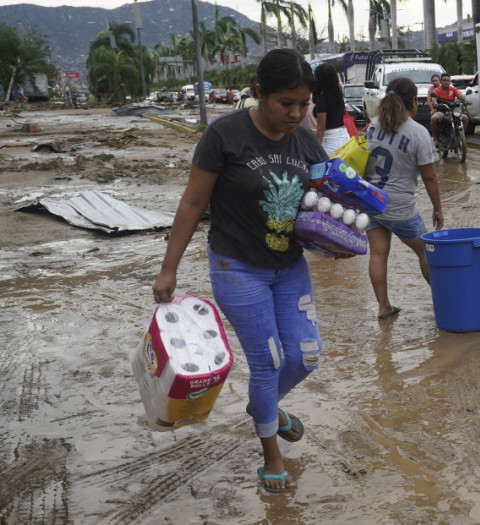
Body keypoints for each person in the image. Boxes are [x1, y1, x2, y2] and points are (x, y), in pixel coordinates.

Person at [152, 48, 328, 493]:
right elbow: (192, 203)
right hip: (237, 266)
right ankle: (272, 455)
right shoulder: (223, 136)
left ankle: (262, 408)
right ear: (257, 94)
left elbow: (321, 207)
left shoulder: (306, 140)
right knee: (267, 363)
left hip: (289, 265)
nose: (295, 113)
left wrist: (334, 244)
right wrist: (168, 268)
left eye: (303, 104)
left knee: (306, 355)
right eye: (285, 103)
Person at [364, 77, 444, 321]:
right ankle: (446, 299)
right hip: (400, 207)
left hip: (370, 202)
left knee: (377, 254)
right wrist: (438, 209)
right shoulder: (418, 132)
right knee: (427, 252)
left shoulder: (372, 125)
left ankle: (384, 307)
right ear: (413, 101)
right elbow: (429, 178)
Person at [312, 63, 350, 156]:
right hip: (345, 137)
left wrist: (315, 151)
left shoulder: (322, 100)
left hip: (330, 141)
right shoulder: (339, 97)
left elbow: (321, 128)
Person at [429, 73, 471, 142]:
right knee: (434, 118)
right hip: (441, 111)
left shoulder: (453, 89)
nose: (446, 82)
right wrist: (435, 103)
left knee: (465, 118)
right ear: (441, 81)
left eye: (447, 80)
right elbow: (433, 98)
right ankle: (435, 138)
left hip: (453, 111)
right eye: (444, 80)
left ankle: (459, 136)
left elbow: (460, 96)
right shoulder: (436, 90)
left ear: (450, 82)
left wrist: (466, 101)